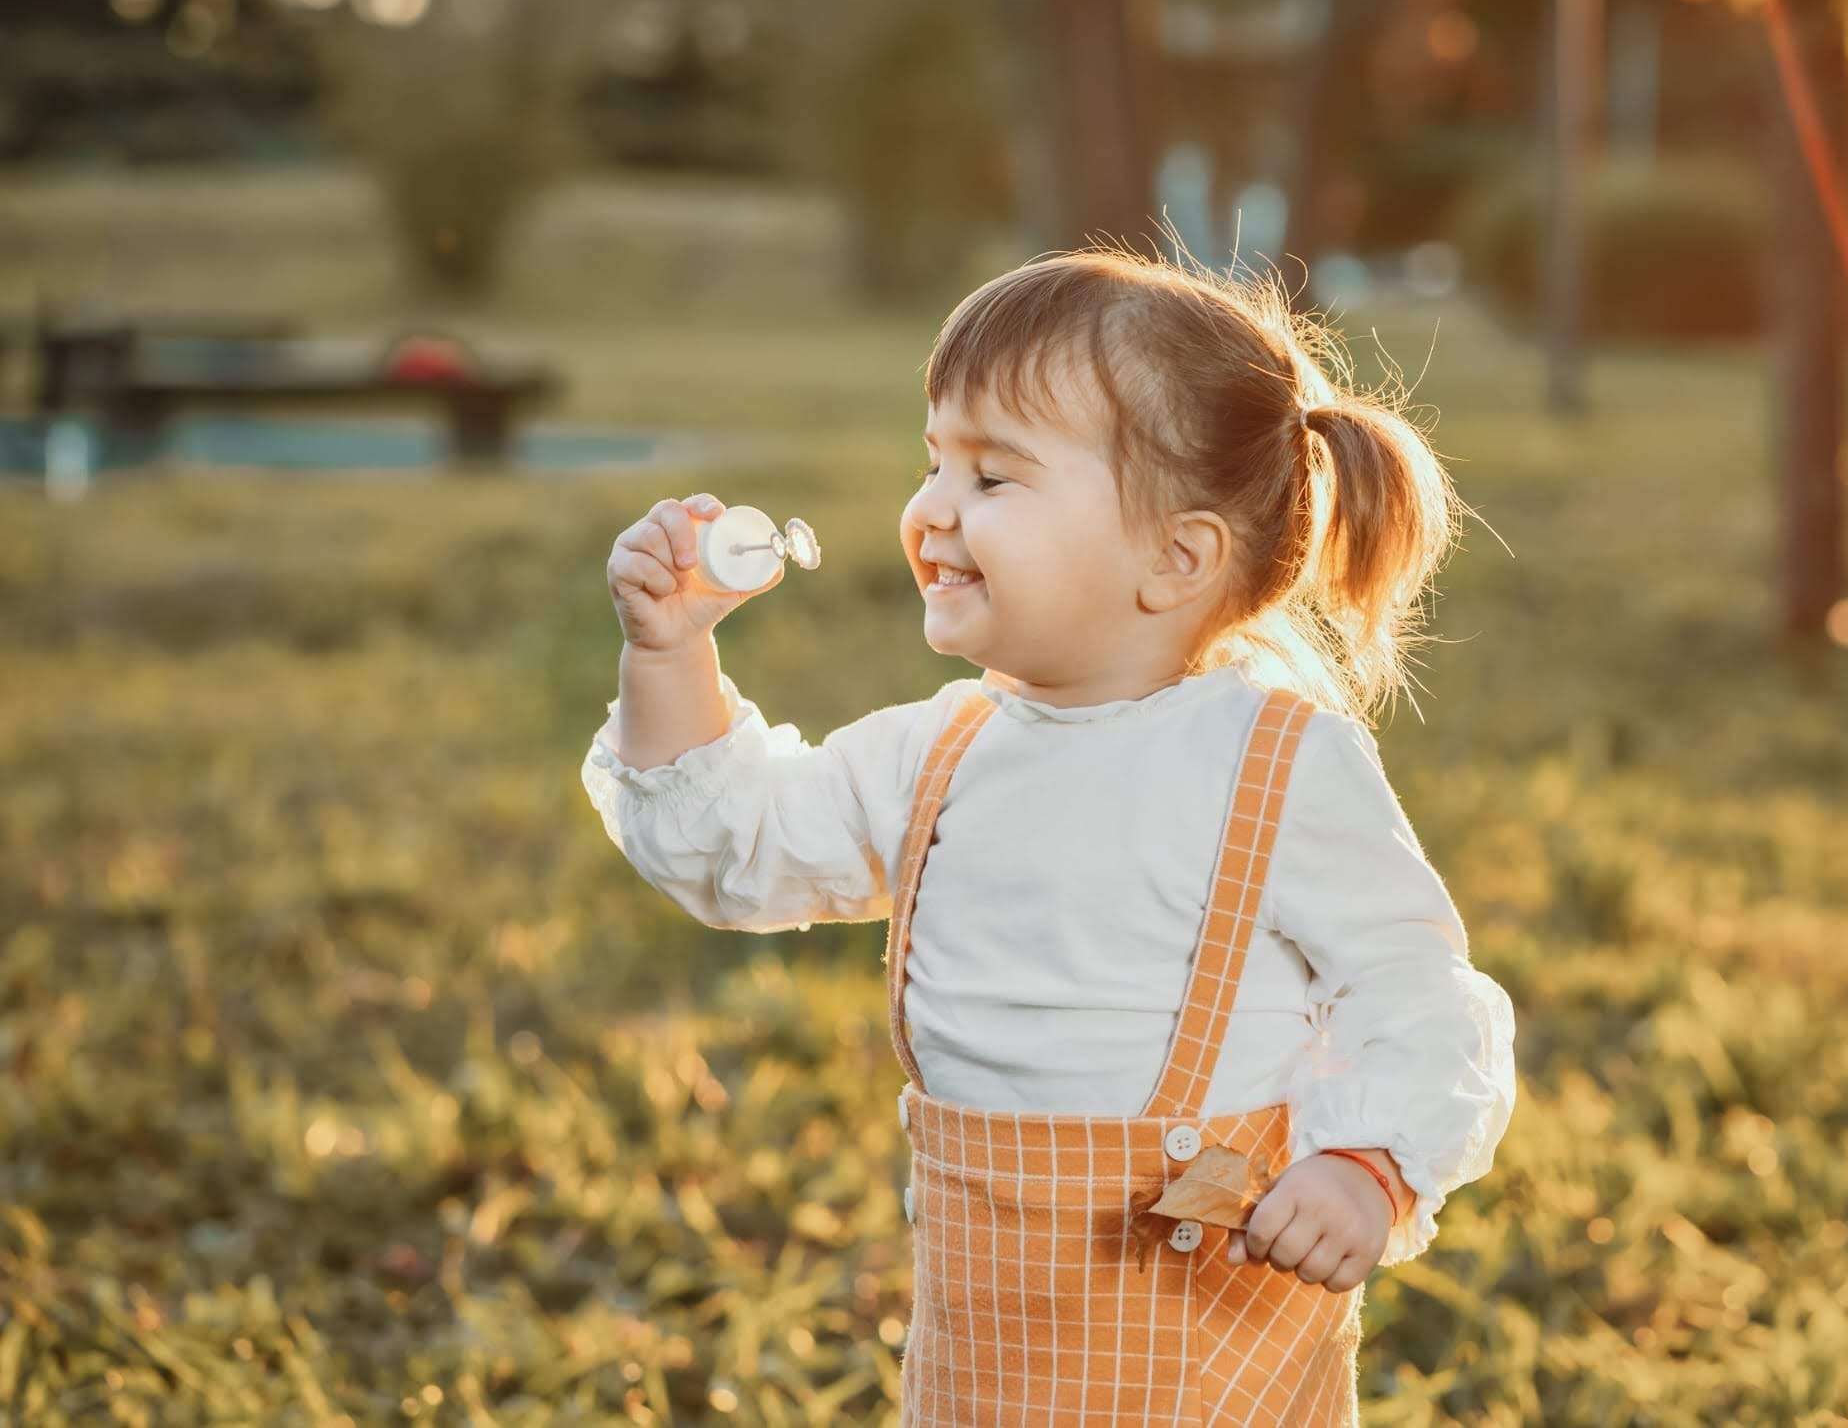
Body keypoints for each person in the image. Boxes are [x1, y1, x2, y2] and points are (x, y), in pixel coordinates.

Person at [580, 247, 1517, 1424]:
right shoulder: (935, 752)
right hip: (992, 1345)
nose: (929, 510)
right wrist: (668, 655)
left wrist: (1368, 1161)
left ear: (1174, 556)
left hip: (1214, 1329)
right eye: (934, 461)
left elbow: (1413, 986)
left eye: (992, 476)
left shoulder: (1273, 762)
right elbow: (731, 848)